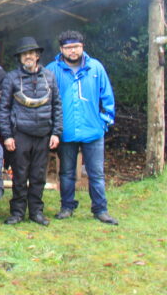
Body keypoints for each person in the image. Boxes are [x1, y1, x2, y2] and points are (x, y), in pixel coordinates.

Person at [47, 30, 118, 225]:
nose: (73, 51)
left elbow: (107, 97)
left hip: (93, 131)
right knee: (66, 172)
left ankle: (100, 209)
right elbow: (45, 100)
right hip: (66, 131)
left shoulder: (95, 68)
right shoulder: (52, 69)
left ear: (82, 47)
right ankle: (67, 206)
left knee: (96, 173)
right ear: (61, 49)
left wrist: (104, 121)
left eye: (76, 47)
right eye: (69, 48)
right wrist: (52, 127)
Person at [0, 37, 62, 226]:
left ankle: (36, 212)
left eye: (31, 53)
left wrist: (56, 132)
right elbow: (4, 108)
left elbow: (57, 105)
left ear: (37, 55)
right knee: (19, 174)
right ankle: (17, 212)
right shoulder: (11, 77)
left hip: (43, 134)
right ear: (20, 58)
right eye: (24, 54)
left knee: (38, 175)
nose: (28, 57)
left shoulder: (49, 76)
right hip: (20, 134)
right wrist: (8, 135)